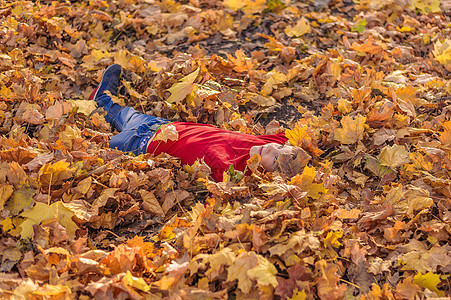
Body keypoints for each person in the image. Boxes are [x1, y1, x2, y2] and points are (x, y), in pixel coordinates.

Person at [89, 64, 311, 181]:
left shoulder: (232, 170)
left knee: (96, 148)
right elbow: (291, 137)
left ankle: (94, 118)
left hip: (139, 144)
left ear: (266, 175)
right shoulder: (262, 143)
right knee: (123, 113)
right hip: (159, 125)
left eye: (274, 158)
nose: (273, 147)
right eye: (280, 147)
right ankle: (102, 101)